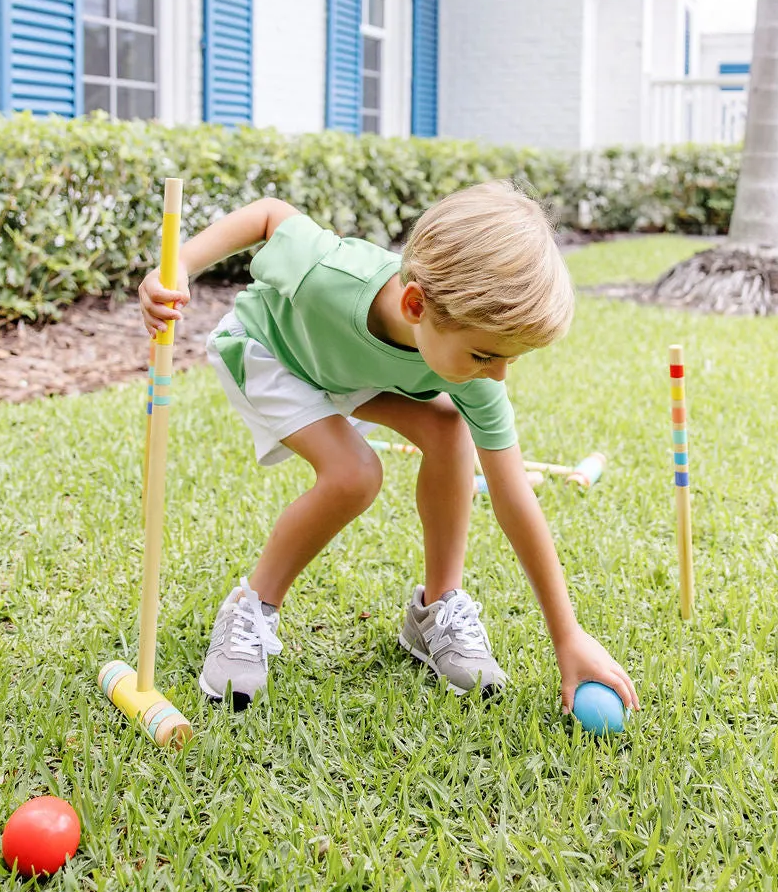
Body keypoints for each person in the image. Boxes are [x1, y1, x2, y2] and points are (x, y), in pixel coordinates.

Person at [138, 180, 638, 719]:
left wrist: (567, 636)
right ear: (416, 303)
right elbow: (267, 215)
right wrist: (180, 266)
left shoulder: (475, 369)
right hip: (273, 353)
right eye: (485, 355)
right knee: (354, 474)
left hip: (350, 373)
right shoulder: (327, 272)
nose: (497, 374)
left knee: (449, 429)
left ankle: (435, 613)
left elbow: (514, 496)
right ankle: (251, 608)